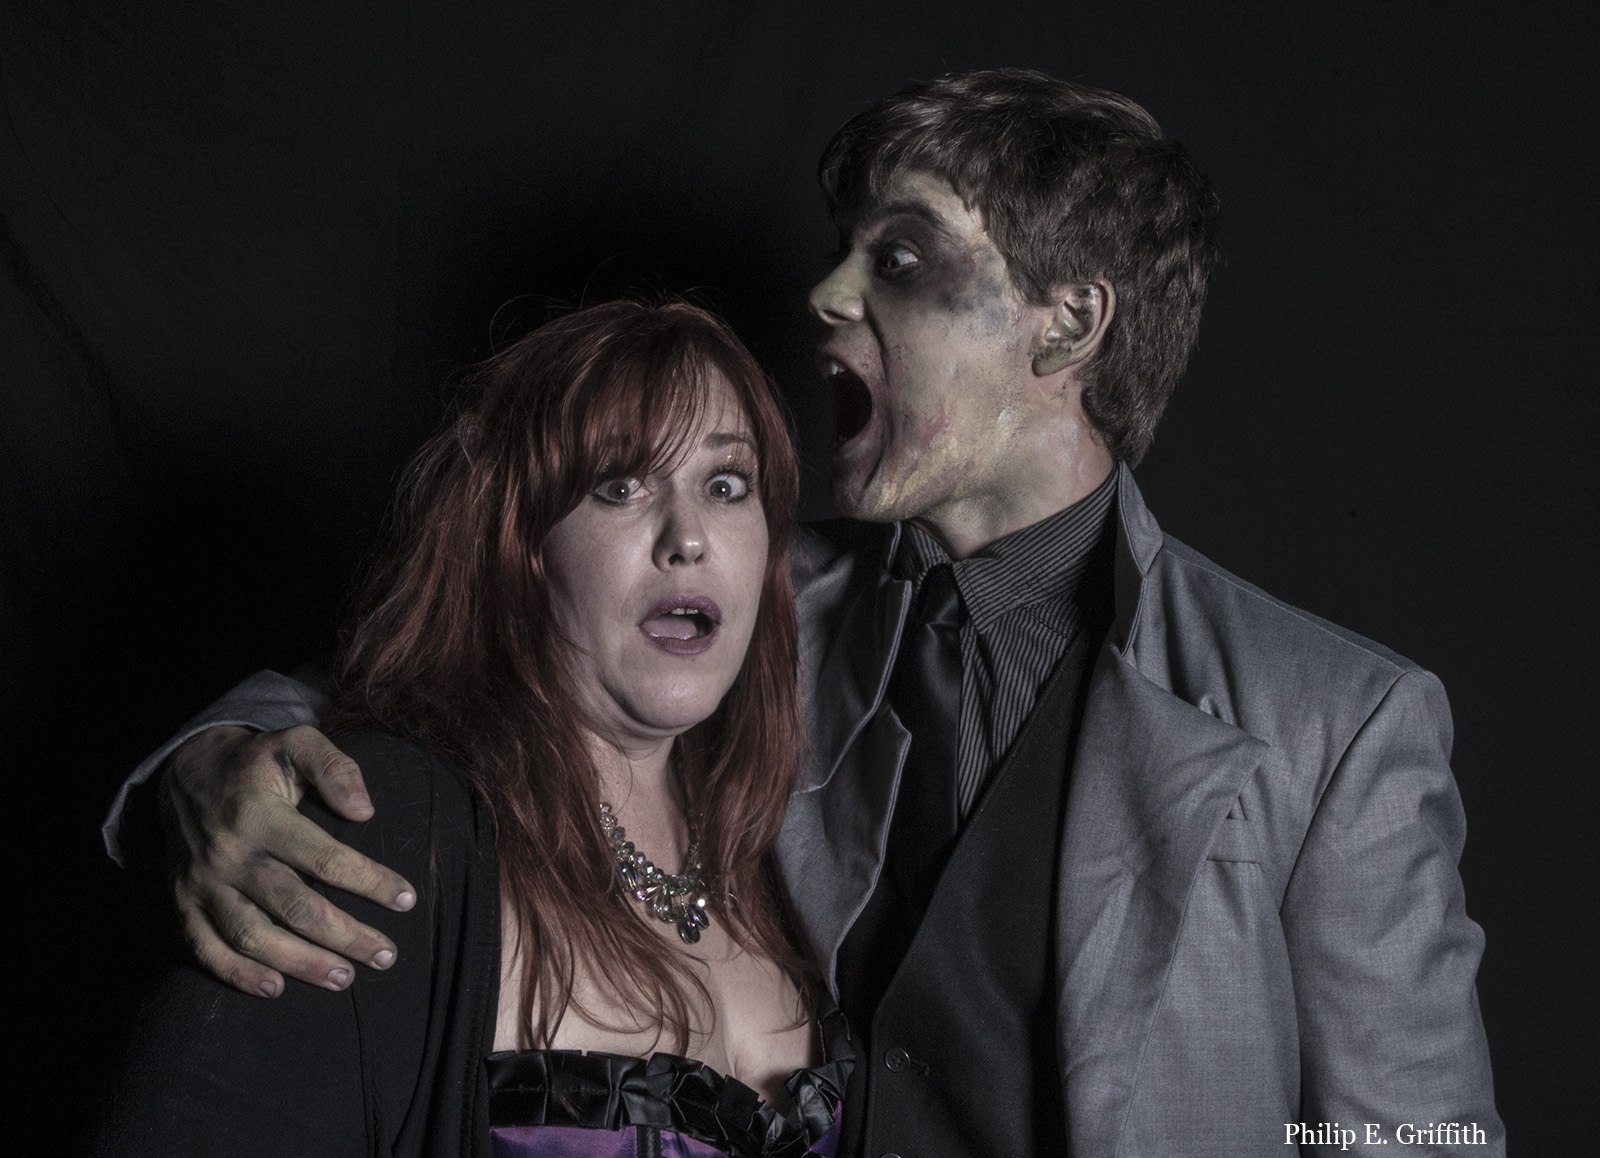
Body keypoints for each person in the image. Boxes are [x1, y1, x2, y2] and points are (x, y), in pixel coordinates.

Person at [107, 71, 1503, 1155]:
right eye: (845, 251)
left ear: (1068, 327)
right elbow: (454, 657)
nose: (825, 295)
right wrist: (213, 759)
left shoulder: (1333, 720)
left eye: (898, 259)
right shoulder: (748, 599)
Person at [94, 300, 851, 1156]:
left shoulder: (795, 837)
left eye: (726, 486)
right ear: (518, 551)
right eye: (618, 486)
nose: (689, 538)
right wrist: (205, 756)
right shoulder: (380, 826)